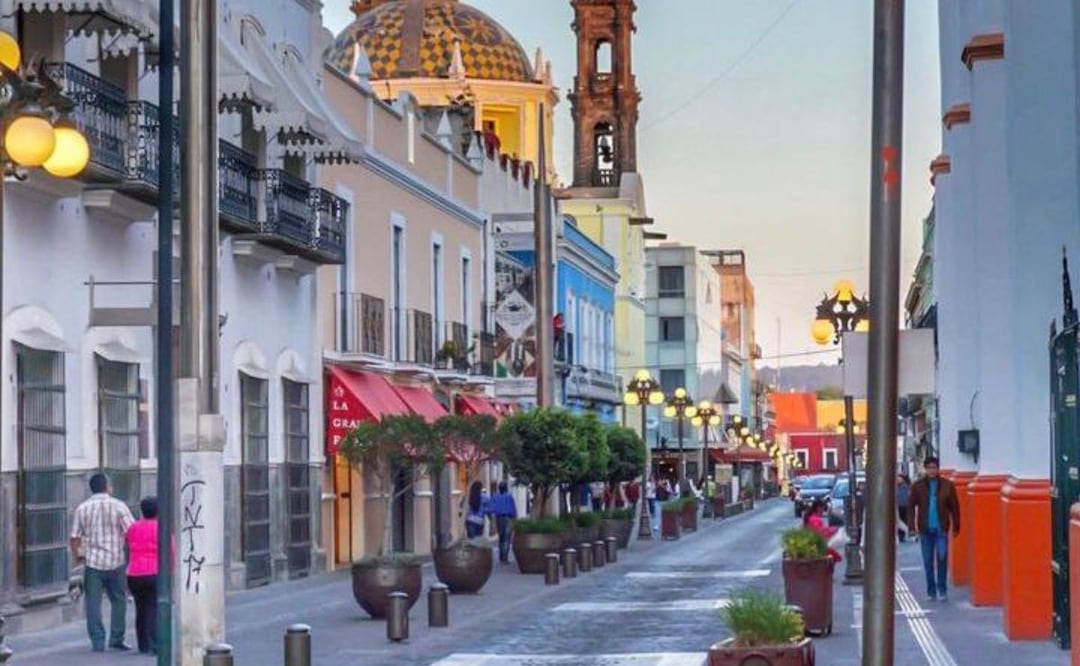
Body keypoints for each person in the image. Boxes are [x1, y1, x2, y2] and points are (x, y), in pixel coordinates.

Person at [70, 472, 135, 652]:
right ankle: (116, 638)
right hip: (116, 560)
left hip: (92, 563)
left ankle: (98, 641)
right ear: (107, 487)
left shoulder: (82, 508)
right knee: (119, 600)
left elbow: (74, 537)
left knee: (92, 603)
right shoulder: (119, 506)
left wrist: (79, 556)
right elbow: (131, 531)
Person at [907, 456, 961, 601]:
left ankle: (942, 589)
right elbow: (911, 507)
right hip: (925, 530)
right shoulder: (917, 486)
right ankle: (931, 591)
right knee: (928, 561)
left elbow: (954, 507)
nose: (932, 470)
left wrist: (956, 525)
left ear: (938, 469)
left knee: (942, 559)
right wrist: (911, 527)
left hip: (941, 529)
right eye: (929, 467)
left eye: (934, 467)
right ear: (925, 469)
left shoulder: (947, 485)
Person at [126, 496, 160, 655]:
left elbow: (128, 545)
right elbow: (170, 550)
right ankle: (155, 644)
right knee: (153, 607)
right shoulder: (162, 528)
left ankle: (143, 644)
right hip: (153, 572)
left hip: (134, 573)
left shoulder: (133, 527)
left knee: (140, 609)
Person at [802, 498, 842, 563]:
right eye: (823, 509)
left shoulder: (811, 517)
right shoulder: (816, 519)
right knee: (836, 556)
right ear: (819, 508)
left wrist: (830, 530)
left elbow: (819, 531)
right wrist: (832, 531)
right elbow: (821, 534)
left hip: (811, 545)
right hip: (816, 546)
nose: (823, 511)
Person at [487, 481, 518, 563]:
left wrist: (491, 517)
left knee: (501, 537)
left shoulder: (495, 497)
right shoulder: (509, 497)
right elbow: (513, 509)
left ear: (499, 489)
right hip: (508, 518)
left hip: (499, 518)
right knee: (507, 538)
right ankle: (504, 557)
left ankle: (501, 556)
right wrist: (515, 519)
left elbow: (491, 508)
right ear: (506, 488)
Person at [896, 474, 912, 542]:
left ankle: (904, 534)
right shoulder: (895, 487)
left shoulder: (906, 487)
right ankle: (901, 535)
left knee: (903, 520)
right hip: (898, 506)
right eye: (897, 479)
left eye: (900, 479)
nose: (898, 480)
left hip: (905, 506)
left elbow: (908, 496)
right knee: (899, 521)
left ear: (903, 480)